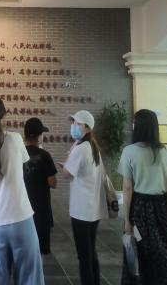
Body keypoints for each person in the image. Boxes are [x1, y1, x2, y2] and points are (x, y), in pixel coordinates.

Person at [0, 96, 44, 285]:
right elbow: (23, 165)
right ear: (3, 115)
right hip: (22, 218)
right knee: (30, 277)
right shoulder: (15, 139)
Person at [118, 109, 167, 284]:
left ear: (138, 126)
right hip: (162, 207)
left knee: (142, 251)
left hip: (140, 208)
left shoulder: (129, 151)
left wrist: (127, 220)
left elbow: (128, 188)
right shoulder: (163, 151)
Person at [62, 110, 107, 285]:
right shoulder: (93, 147)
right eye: (73, 123)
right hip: (92, 209)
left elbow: (66, 173)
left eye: (77, 123)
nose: (73, 126)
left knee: (83, 255)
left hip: (81, 211)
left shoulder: (81, 149)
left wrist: (70, 154)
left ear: (87, 128)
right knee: (90, 251)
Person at [23, 117, 57, 262]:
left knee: (24, 247)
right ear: (39, 136)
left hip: (22, 207)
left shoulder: (18, 154)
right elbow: (53, 183)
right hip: (41, 209)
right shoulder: (45, 155)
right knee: (40, 248)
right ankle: (37, 274)